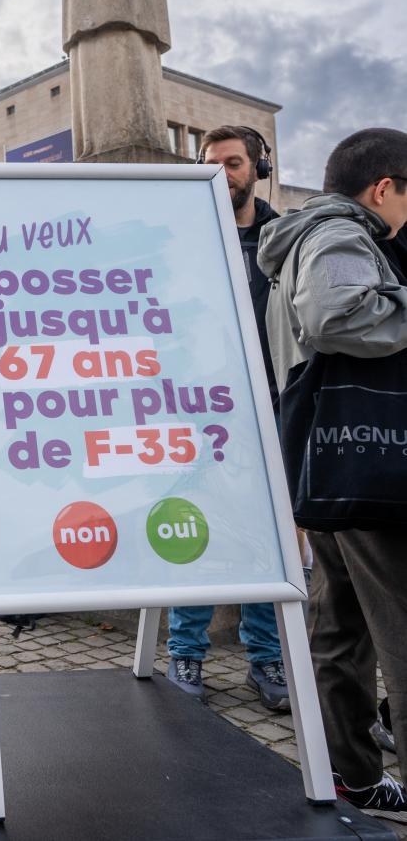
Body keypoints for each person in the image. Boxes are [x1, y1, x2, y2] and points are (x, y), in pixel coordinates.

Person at [257, 127, 407, 820]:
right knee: (395, 630)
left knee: (341, 627)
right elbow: (336, 316)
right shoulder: (341, 234)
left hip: (333, 463)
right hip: (370, 466)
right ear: (384, 188)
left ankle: (350, 771)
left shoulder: (304, 238)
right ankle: (354, 768)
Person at [166, 126, 289, 711]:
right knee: (195, 528)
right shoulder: (185, 236)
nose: (222, 172)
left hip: (270, 409)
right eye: (211, 163)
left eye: (234, 162)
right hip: (196, 412)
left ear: (257, 168)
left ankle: (265, 658)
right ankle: (185, 649)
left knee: (264, 537)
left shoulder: (285, 238)